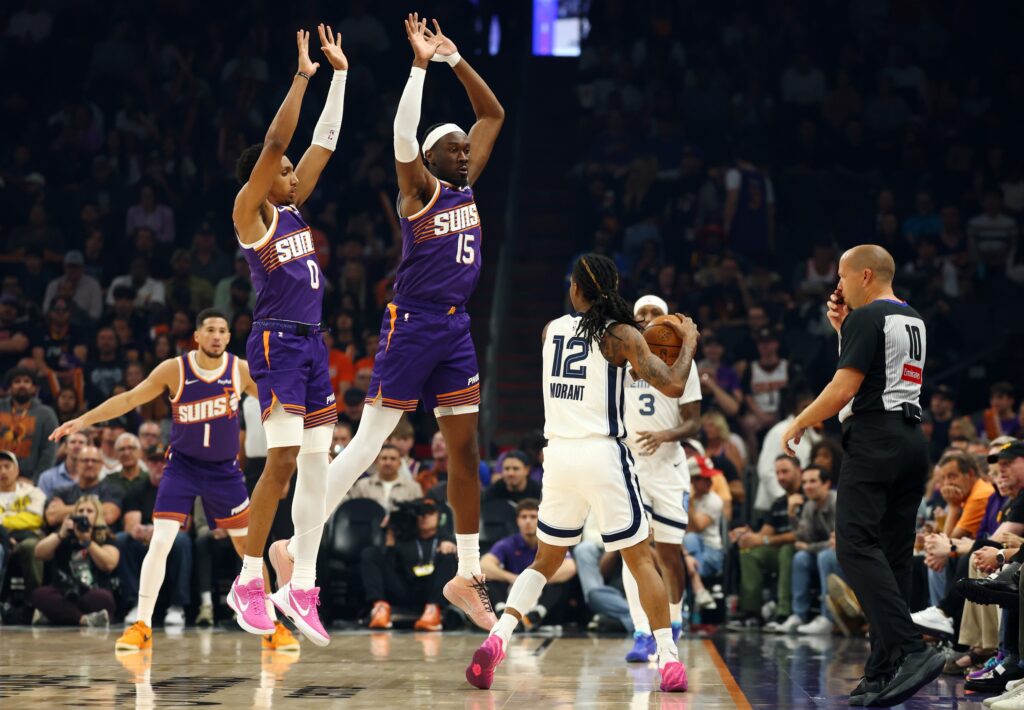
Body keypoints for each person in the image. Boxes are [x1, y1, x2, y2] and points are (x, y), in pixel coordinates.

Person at [270, 14, 505, 633]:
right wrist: (420, 67)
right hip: (413, 325)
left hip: (456, 328)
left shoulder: (465, 184)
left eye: (464, 150)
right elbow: (404, 131)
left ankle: (469, 573)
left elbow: (494, 116)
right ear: (430, 158)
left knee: (466, 447)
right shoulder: (418, 189)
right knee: (369, 446)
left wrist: (455, 58)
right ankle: (297, 546)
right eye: (453, 150)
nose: (465, 154)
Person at [465, 253, 696, 692]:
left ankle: (498, 637)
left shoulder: (551, 330)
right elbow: (673, 384)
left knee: (544, 561)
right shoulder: (621, 336)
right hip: (603, 454)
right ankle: (668, 657)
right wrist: (688, 344)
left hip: (559, 457)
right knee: (641, 559)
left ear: (576, 290)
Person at [48, 309, 296, 653]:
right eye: (210, 329)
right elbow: (129, 399)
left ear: (228, 336)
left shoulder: (239, 370)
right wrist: (83, 420)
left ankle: (270, 624)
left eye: (223, 331)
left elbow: (280, 401)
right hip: (182, 468)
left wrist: (314, 440)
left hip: (225, 472)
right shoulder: (174, 369)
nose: (217, 336)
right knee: (161, 542)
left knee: (249, 550)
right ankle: (142, 625)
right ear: (197, 335)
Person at [229, 25, 348, 646]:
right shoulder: (251, 213)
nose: (296, 174)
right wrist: (303, 76)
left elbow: (323, 141)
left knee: (315, 465)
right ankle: (247, 578)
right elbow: (280, 139)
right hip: (276, 343)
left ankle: (300, 584)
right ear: (265, 174)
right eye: (286, 170)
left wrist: (341, 75)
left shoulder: (295, 206)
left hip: (313, 344)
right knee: (279, 462)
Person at [782, 244, 939, 706]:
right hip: (911, 441)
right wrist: (840, 330)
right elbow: (878, 373)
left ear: (865, 275)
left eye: (843, 277)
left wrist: (800, 421)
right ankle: (882, 668)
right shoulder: (912, 318)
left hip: (875, 440)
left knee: (852, 546)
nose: (839, 286)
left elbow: (844, 388)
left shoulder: (866, 318)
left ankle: (910, 648)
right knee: (890, 558)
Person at [621, 294, 702, 659]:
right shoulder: (619, 358)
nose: (650, 318)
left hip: (668, 465)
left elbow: (694, 421)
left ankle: (674, 617)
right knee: (633, 550)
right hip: (630, 467)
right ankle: (642, 631)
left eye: (656, 312)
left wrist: (664, 435)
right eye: (643, 313)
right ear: (635, 320)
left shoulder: (684, 361)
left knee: (669, 552)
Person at [115, 443, 192, 627]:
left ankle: (177, 606)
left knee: (183, 540)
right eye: (155, 461)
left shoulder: (181, 487)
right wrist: (138, 531)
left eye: (164, 460)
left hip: (171, 539)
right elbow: (131, 524)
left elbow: (185, 525)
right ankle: (136, 603)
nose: (160, 465)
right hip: (143, 541)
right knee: (122, 539)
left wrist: (156, 532)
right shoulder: (137, 491)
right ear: (147, 463)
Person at [729, 454, 802, 629]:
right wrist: (747, 536)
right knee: (749, 552)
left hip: (801, 551)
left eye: (785, 471)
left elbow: (799, 535)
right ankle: (751, 612)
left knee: (786, 549)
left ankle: (784, 612)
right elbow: (763, 535)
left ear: (799, 471)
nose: (781, 477)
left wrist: (767, 539)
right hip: (779, 553)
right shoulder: (779, 503)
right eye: (778, 473)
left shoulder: (807, 496)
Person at [363, 497, 457, 632]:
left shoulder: (446, 539)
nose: (424, 516)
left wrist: (451, 547)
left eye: (430, 512)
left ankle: (433, 611)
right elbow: (391, 565)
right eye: (420, 513)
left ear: (439, 517)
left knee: (448, 556)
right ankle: (380, 608)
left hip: (430, 591)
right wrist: (390, 533)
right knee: (370, 553)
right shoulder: (404, 538)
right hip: (404, 587)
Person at [482, 499, 576, 629]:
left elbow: (570, 567)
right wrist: (513, 578)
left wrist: (534, 581)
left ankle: (533, 617)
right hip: (513, 591)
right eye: (523, 517)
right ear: (517, 520)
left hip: (542, 593)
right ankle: (501, 614)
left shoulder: (551, 543)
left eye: (533, 517)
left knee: (559, 584)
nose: (528, 521)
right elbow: (484, 565)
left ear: (541, 520)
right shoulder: (507, 543)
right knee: (490, 579)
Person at [30, 495, 119, 626]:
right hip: (64, 592)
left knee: (103, 598)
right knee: (39, 594)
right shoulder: (64, 534)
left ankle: (59, 615)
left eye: (89, 511)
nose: (84, 514)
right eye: (80, 511)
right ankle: (84, 619)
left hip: (91, 591)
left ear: (97, 516)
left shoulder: (104, 536)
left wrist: (87, 542)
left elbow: (109, 564)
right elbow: (38, 553)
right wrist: (60, 535)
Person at [789, 466, 844, 635]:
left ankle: (827, 617)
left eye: (813, 481)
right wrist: (792, 515)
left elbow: (839, 541)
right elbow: (802, 539)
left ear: (827, 484)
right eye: (804, 482)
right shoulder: (809, 506)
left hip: (846, 557)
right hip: (826, 551)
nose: (807, 486)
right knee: (801, 558)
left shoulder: (838, 502)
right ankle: (799, 614)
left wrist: (810, 547)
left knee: (825, 556)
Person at [0, 450, 46, 594]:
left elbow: (36, 518)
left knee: (31, 546)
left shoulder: (33, 492)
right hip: (1, 540)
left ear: (17, 470)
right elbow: (28, 517)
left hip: (28, 537)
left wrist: (3, 519)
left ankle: (37, 599)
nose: (3, 471)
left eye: (7, 466)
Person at [0, 366, 58, 478]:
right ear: (10, 387)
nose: (22, 385)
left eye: (27, 381)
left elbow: (49, 450)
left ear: (34, 388)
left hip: (29, 481)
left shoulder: (46, 414)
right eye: (17, 381)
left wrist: (36, 480)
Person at [345, 444, 423, 512]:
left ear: (400, 463)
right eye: (384, 458)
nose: (388, 462)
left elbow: (419, 514)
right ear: (376, 462)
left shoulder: (413, 488)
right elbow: (353, 512)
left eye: (393, 459)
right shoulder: (362, 486)